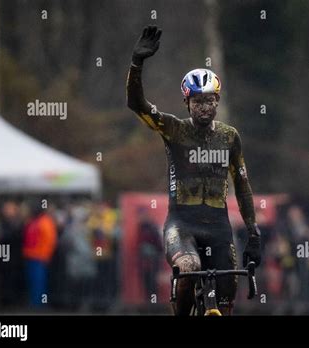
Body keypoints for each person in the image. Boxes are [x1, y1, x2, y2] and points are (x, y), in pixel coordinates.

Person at [126, 26, 261, 315]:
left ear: (218, 101)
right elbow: (136, 105)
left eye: (210, 99)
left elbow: (243, 185)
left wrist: (253, 233)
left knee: (226, 298)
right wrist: (137, 64)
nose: (205, 106)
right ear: (186, 102)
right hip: (182, 224)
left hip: (218, 226)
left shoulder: (229, 136)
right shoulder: (173, 129)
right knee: (189, 267)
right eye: (198, 100)